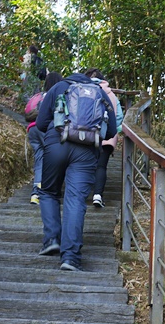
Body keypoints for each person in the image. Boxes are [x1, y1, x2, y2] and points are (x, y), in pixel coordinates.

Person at [35, 72, 117, 271]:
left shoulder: (58, 88)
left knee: (48, 191)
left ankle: (52, 239)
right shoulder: (100, 92)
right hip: (87, 151)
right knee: (75, 199)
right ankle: (70, 257)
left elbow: (39, 123)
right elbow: (112, 130)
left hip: (57, 142)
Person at [85, 68, 125, 208]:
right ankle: (98, 195)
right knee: (101, 166)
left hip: (86, 136)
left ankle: (81, 194)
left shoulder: (84, 91)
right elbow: (119, 118)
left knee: (86, 165)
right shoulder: (112, 95)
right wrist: (115, 131)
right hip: (107, 137)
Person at [25, 72, 63, 205]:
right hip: (46, 130)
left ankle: (35, 193)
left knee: (39, 159)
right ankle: (50, 191)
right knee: (55, 159)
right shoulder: (57, 95)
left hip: (32, 129)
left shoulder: (40, 96)